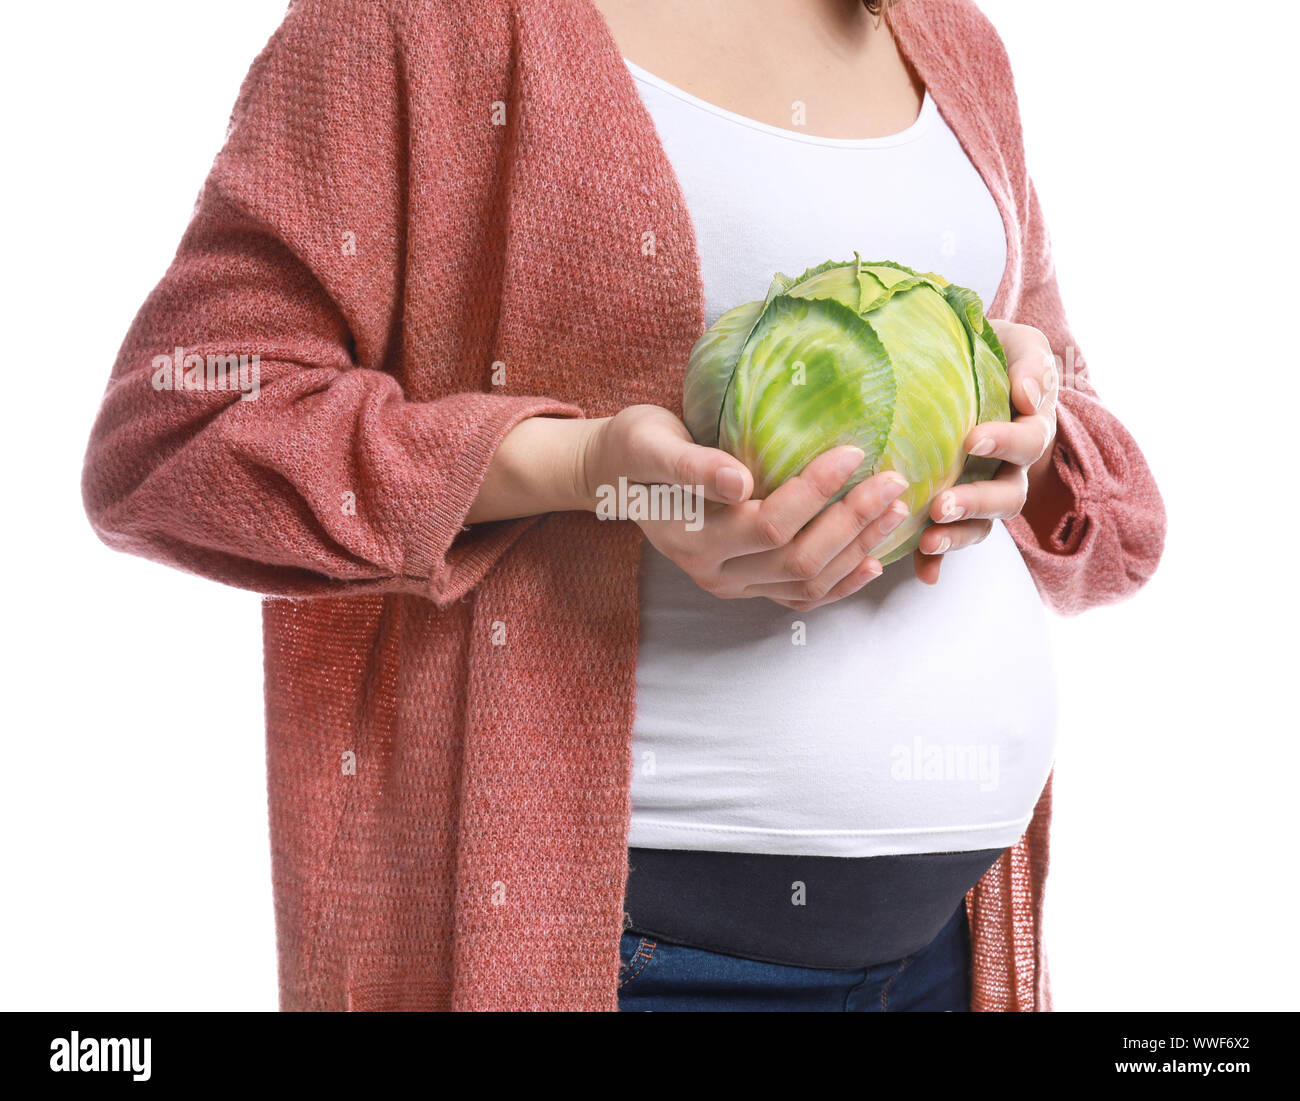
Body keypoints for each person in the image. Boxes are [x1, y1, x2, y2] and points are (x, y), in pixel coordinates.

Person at [82, 0, 1166, 1011]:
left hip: (954, 957)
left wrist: (1027, 434)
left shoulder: (946, 34)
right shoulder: (416, 26)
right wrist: (583, 467)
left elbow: (1110, 519)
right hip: (625, 965)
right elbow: (173, 432)